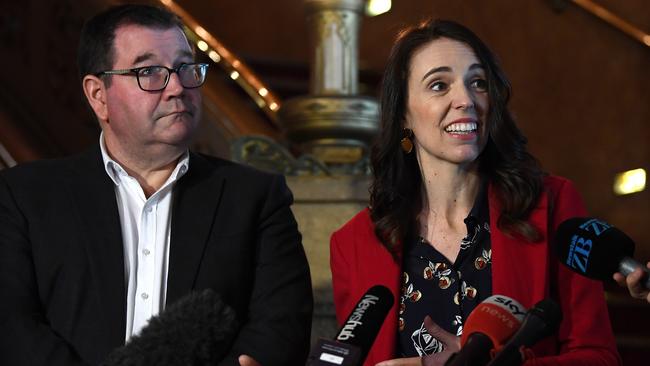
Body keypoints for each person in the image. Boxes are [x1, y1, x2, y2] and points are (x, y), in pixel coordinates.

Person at [0, 4, 312, 366]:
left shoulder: (255, 199)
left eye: (185, 68)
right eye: (149, 71)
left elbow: (281, 329)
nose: (177, 87)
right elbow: (11, 324)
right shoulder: (25, 196)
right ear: (98, 94)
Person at [330, 19, 621, 366]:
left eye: (478, 83)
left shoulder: (553, 203)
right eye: (439, 85)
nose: (465, 99)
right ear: (403, 114)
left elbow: (599, 358)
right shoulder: (353, 245)